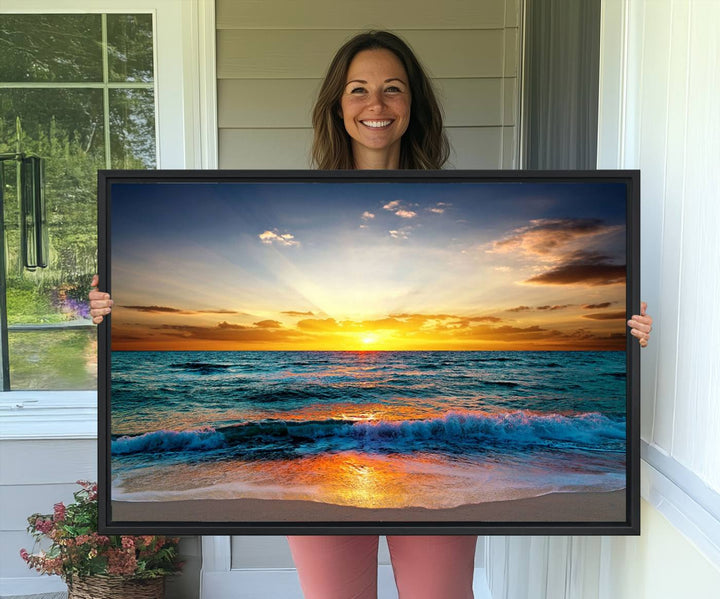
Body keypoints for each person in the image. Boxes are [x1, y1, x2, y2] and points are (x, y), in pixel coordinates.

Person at [89, 30, 653, 599]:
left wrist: (622, 330)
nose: (376, 105)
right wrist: (115, 307)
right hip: (315, 462)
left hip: (439, 462)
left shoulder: (458, 206)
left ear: (413, 105)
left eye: (393, 89)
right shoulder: (296, 205)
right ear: (338, 105)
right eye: (358, 90)